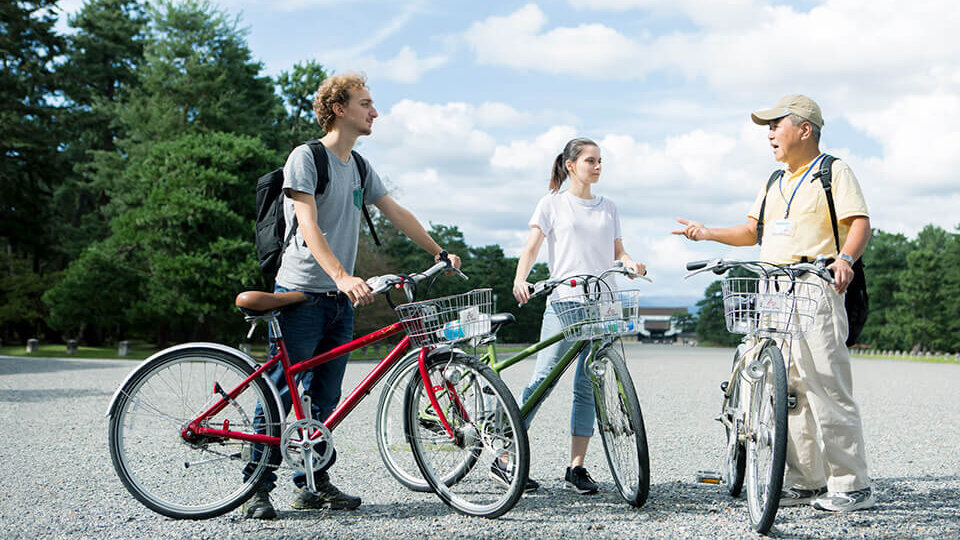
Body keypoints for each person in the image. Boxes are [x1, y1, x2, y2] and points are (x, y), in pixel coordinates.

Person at [243, 73, 461, 519]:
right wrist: (343, 275)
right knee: (281, 393)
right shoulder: (307, 158)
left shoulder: (360, 166)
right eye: (366, 104)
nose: (374, 112)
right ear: (339, 109)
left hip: (338, 301)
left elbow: (395, 211)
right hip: (300, 294)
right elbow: (306, 223)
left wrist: (438, 250)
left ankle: (312, 484)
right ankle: (255, 488)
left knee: (324, 400)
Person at [672, 94, 875, 512]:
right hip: (774, 290)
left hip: (815, 285)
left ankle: (852, 486)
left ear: (804, 129)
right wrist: (706, 232)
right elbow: (752, 231)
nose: (769, 134)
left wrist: (845, 259)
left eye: (775, 125)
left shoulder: (833, 171)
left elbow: (859, 223)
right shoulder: (773, 180)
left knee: (826, 385)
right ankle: (806, 482)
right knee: (791, 393)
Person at [510, 137, 646, 494]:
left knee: (590, 385)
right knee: (542, 380)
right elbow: (532, 246)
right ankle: (506, 455)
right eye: (590, 160)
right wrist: (520, 278)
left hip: (606, 303)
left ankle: (576, 468)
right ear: (571, 165)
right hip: (565, 301)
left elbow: (618, 250)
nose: (598, 166)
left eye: (601, 160)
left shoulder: (609, 206)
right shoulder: (552, 204)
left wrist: (630, 264)